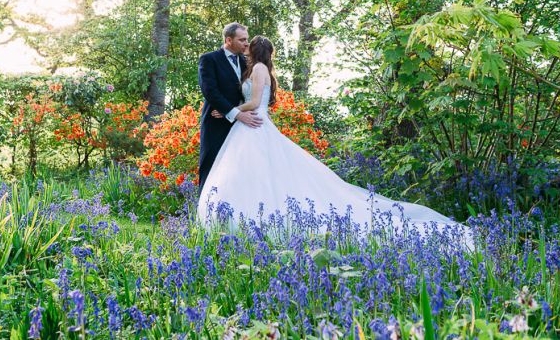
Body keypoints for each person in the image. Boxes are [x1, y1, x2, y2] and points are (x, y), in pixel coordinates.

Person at [197, 34, 473, 247]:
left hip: (253, 124)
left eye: (247, 44)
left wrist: (233, 111)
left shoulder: (257, 70)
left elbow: (256, 102)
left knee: (262, 173)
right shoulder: (258, 69)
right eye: (242, 42)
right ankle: (244, 218)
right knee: (255, 174)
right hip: (249, 127)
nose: (244, 47)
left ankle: (257, 219)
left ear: (254, 50)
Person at [197, 23, 262, 191]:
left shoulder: (246, 62)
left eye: (247, 39)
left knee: (237, 170)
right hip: (215, 122)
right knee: (211, 166)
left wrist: (238, 111)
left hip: (242, 127)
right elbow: (210, 91)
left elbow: (248, 93)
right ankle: (202, 214)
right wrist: (235, 113)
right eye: (242, 40)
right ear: (228, 40)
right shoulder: (209, 59)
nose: (246, 43)